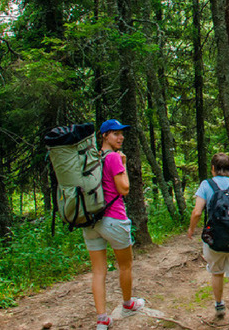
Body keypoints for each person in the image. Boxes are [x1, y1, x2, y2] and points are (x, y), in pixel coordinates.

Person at [82, 119, 145, 330]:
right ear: (104, 136)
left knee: (98, 271)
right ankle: (127, 305)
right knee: (125, 265)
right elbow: (124, 189)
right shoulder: (114, 158)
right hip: (114, 219)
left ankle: (102, 319)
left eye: (121, 133)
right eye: (115, 133)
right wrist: (124, 165)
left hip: (90, 221)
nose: (121, 137)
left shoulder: (92, 159)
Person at [187, 153, 229, 329]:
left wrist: (192, 229)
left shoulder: (206, 185)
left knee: (216, 272)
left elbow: (197, 212)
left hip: (214, 239)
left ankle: (219, 304)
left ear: (213, 169)